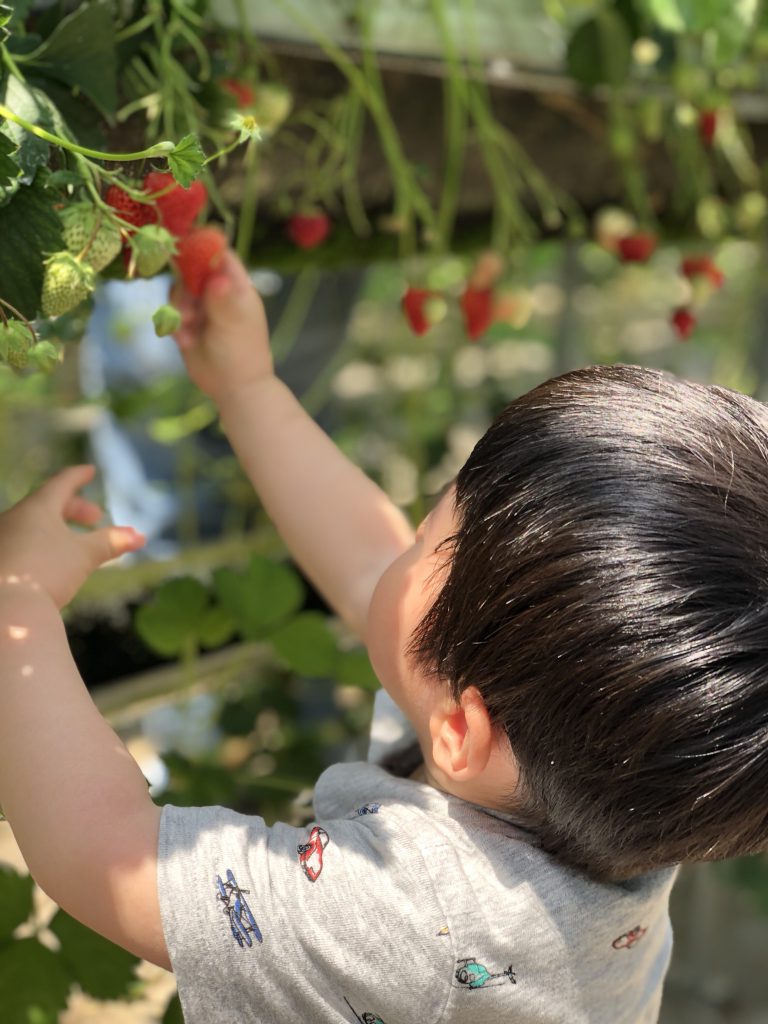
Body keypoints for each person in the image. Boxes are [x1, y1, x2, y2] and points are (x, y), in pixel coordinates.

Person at [0, 249, 767, 1024]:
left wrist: (17, 604)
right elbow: (376, 570)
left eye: (431, 532)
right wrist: (248, 388)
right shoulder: (622, 765)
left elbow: (100, 851)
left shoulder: (410, 924)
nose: (404, 537)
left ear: (461, 731)